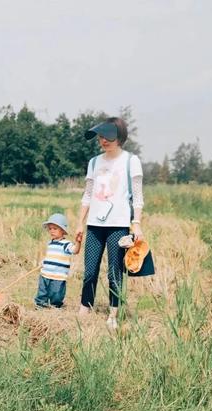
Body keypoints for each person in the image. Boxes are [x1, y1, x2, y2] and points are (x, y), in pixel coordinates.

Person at [75, 117, 144, 329]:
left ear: (119, 136)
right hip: (95, 224)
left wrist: (137, 223)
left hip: (118, 224)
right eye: (100, 136)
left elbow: (138, 196)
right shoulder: (94, 162)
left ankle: (114, 313)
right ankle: (85, 307)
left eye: (107, 137)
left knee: (115, 271)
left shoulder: (131, 161)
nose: (103, 140)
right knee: (89, 270)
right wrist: (80, 223)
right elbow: (87, 196)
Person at [34, 213, 82, 308]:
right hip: (45, 273)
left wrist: (78, 242)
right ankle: (40, 305)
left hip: (58, 276)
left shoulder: (66, 244)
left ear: (63, 231)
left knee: (56, 293)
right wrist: (43, 262)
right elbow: (50, 256)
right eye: (50, 228)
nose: (52, 231)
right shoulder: (50, 243)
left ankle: (54, 306)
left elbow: (75, 251)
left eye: (55, 229)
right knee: (42, 291)